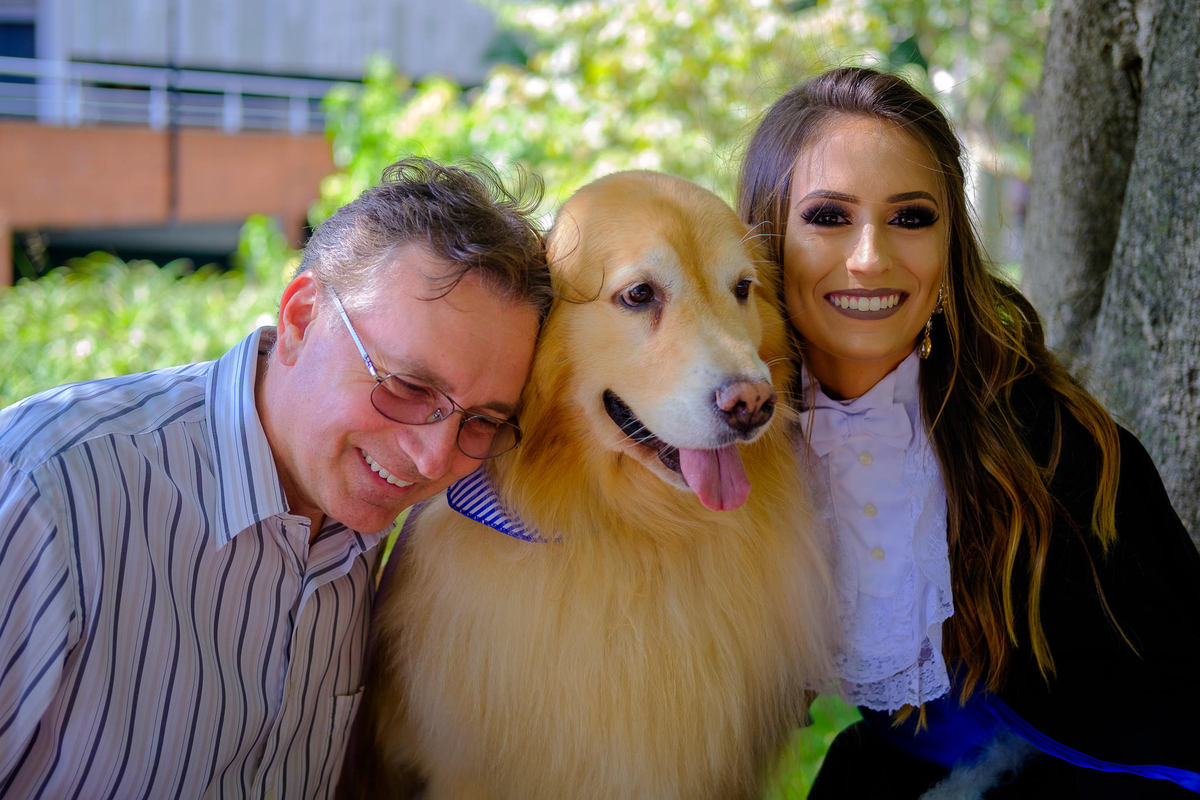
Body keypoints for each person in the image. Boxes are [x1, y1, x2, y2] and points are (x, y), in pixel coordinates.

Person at [0, 156, 552, 798]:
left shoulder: (385, 533)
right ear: (300, 317)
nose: (433, 460)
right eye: (407, 385)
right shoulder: (50, 486)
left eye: (482, 420)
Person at [738, 66, 1200, 797]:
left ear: (950, 246)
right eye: (828, 216)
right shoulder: (742, 442)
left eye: (911, 217)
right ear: (766, 236)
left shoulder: (1047, 439)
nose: (870, 258)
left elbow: (1166, 682)